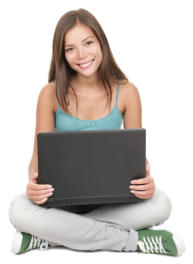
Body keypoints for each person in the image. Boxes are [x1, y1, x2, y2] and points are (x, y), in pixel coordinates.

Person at [8, 8, 185, 256]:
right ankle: (134, 242)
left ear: (101, 42)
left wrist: (145, 181)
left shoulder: (128, 92)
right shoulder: (49, 94)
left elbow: (135, 158)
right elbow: (37, 162)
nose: (81, 55)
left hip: (112, 202)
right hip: (63, 204)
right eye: (70, 49)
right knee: (18, 208)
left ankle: (51, 237)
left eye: (88, 43)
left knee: (161, 203)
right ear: (62, 55)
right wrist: (34, 184)